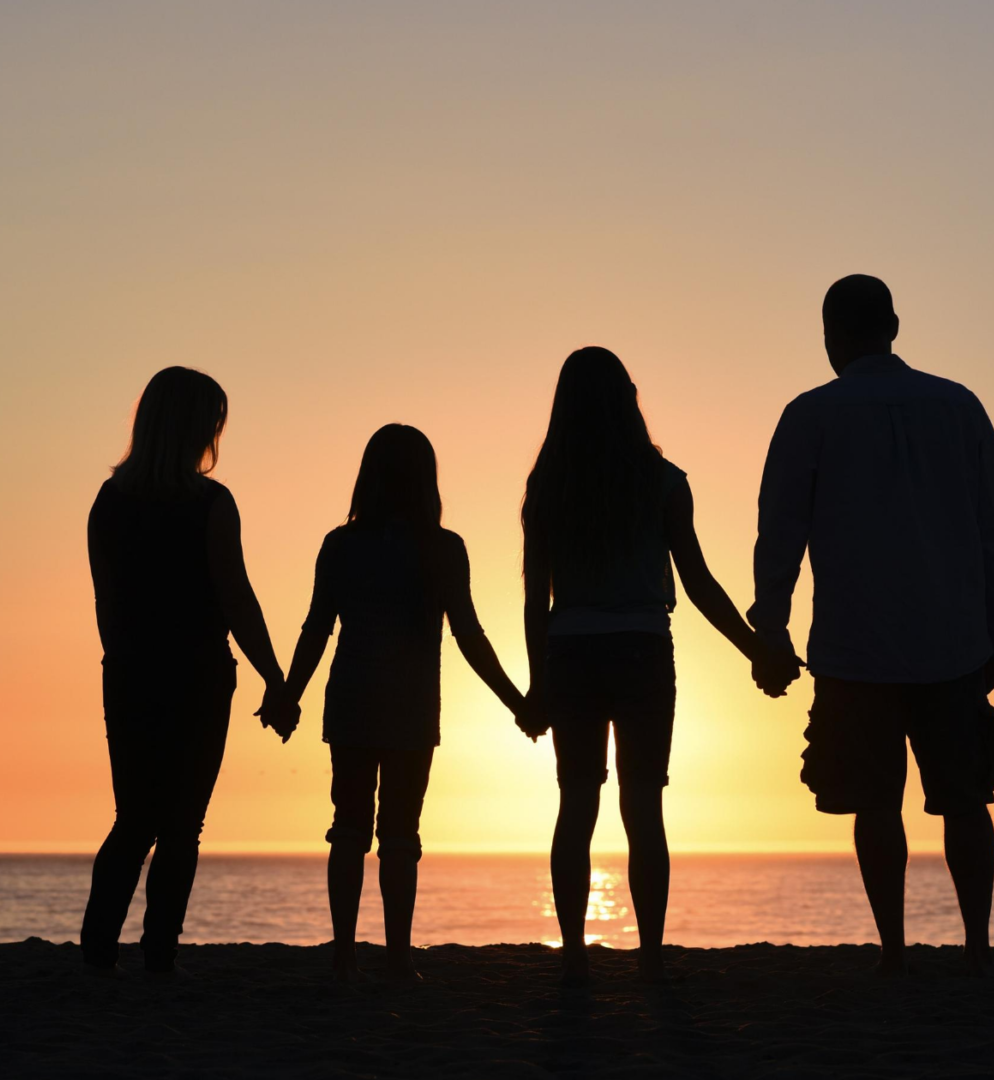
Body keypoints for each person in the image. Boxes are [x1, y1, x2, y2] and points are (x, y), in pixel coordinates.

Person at [749, 275, 994, 976]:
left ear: (830, 335)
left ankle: (895, 950)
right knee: (964, 799)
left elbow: (780, 533)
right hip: (953, 637)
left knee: (875, 804)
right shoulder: (958, 406)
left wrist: (770, 626)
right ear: (894, 324)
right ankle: (978, 945)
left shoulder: (811, 415)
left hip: (855, 642)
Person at [519, 347, 775, 987]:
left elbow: (534, 598)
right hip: (640, 650)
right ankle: (652, 956)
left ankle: (575, 949)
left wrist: (537, 684)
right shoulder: (662, 481)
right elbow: (697, 583)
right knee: (643, 808)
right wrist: (755, 648)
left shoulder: (548, 488)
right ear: (628, 397)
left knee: (576, 803)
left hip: (571, 652)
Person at [282, 424, 527, 982]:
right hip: (412, 708)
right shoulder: (442, 548)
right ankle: (396, 959)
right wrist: (517, 702)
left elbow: (316, 629)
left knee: (347, 826)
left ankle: (344, 955)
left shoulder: (341, 544)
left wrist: (289, 695)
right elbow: (469, 635)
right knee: (400, 833)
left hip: (352, 700)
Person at [80, 366, 299, 977]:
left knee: (135, 819)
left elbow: (106, 601)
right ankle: (158, 956)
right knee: (179, 825)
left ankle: (100, 952)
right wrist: (274, 678)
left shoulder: (110, 501)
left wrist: (125, 660)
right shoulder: (208, 502)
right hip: (198, 675)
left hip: (129, 674)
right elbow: (236, 597)